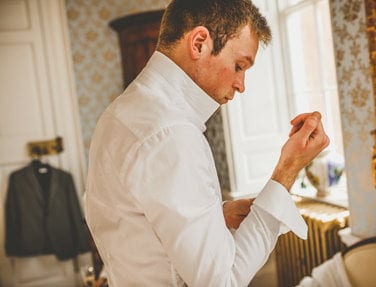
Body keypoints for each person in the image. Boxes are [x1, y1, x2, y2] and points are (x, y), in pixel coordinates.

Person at [83, 0, 330, 285]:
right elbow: (222, 282)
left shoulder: (120, 112)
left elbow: (132, 223)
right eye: (239, 66)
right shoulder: (172, 134)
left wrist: (214, 218)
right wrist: (288, 169)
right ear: (199, 42)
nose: (241, 85)